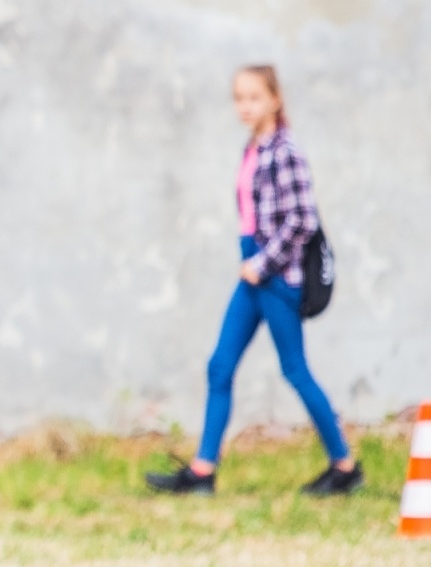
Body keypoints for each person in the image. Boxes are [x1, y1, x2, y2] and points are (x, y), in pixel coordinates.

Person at [147, 66, 359, 496]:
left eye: (254, 98)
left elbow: (303, 220)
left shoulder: (286, 151)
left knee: (295, 371)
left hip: (276, 277)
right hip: (253, 274)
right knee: (220, 365)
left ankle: (344, 466)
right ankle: (203, 472)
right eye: (239, 98)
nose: (245, 106)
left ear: (276, 100)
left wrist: (263, 264)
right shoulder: (255, 149)